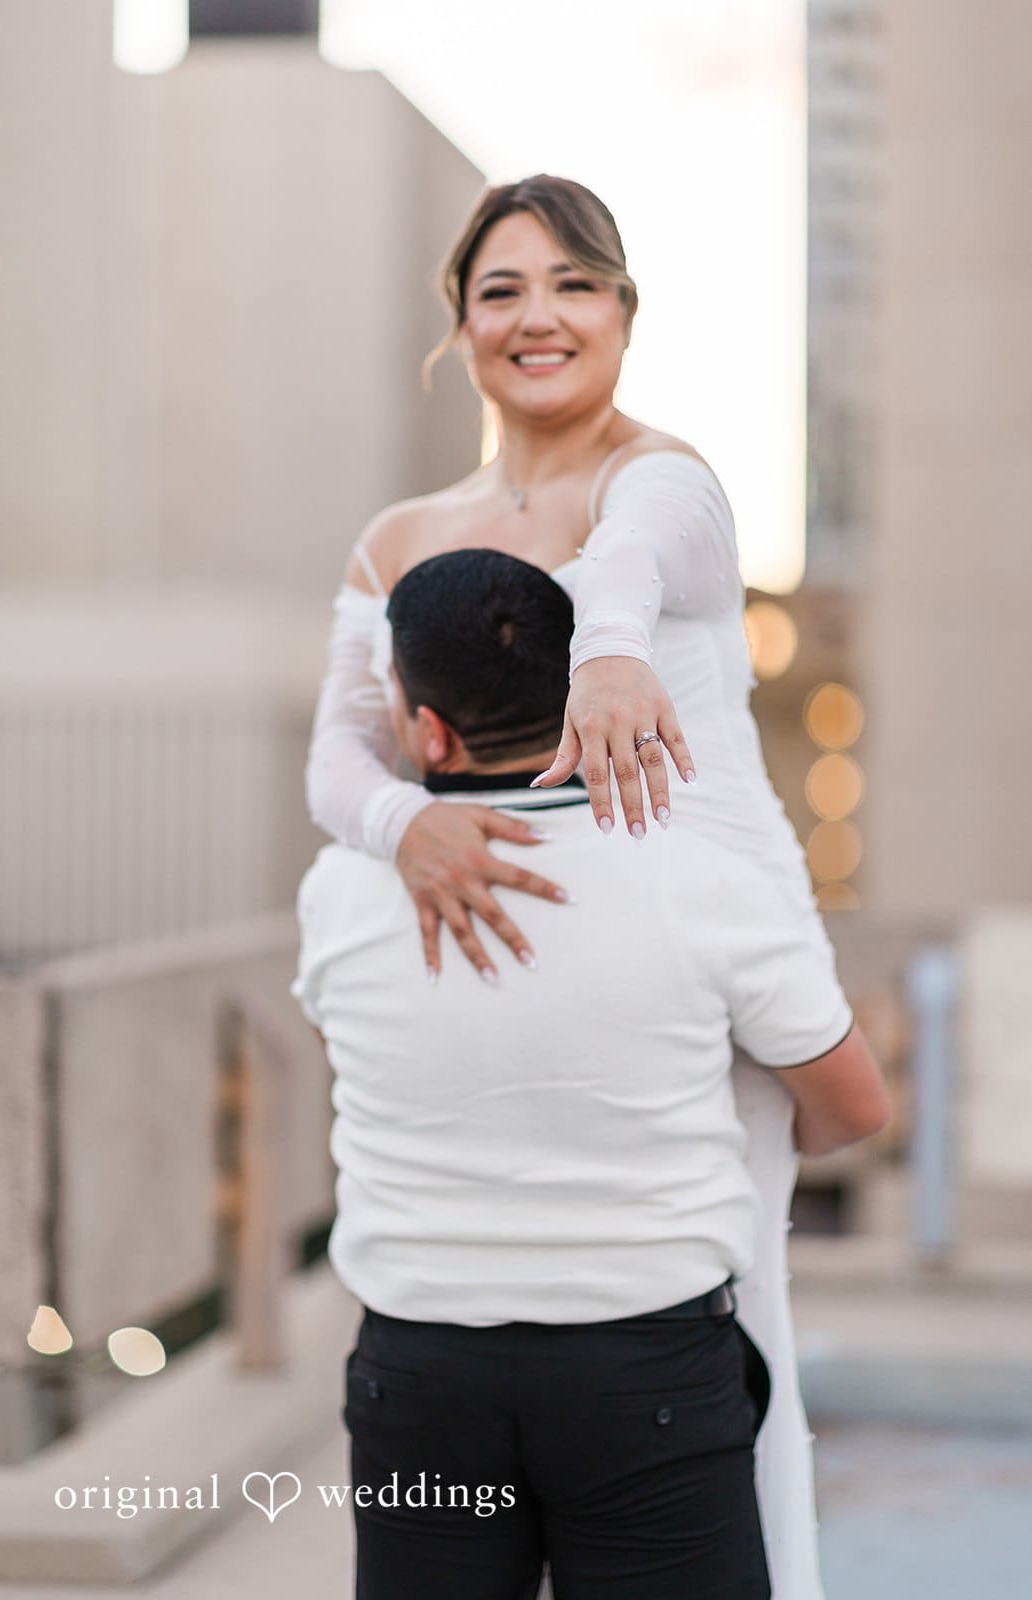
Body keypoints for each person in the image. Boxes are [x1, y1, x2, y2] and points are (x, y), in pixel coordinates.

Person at [304, 173, 850, 1595]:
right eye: (500, 290)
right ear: (460, 326)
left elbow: (627, 555)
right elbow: (338, 758)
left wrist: (608, 646)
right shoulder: (396, 537)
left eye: (570, 284)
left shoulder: (662, 478)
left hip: (699, 931)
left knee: (716, 1302)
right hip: (486, 929)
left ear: (620, 311)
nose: (535, 315)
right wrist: (394, 830)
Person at [293, 548, 889, 1600]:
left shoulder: (339, 892)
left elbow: (365, 1065)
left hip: (420, 1371)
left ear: (427, 728)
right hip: (645, 1371)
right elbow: (850, 1109)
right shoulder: (699, 874)